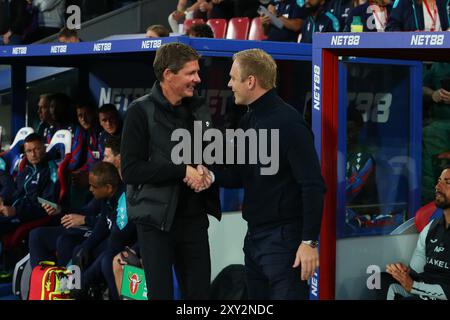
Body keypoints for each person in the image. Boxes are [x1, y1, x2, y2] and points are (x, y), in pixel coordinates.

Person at [188, 49, 326, 299]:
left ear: (250, 81)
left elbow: (313, 186)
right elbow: (242, 174)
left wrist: (309, 242)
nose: (229, 84)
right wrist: (211, 177)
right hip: (254, 238)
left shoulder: (289, 123)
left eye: (232, 78)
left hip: (285, 241)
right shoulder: (248, 121)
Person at [121, 42, 221, 300]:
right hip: (155, 224)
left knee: (199, 297)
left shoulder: (199, 108)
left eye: (197, 72)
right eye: (191, 73)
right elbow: (131, 170)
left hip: (195, 219)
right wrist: (181, 171)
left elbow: (212, 153)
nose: (198, 79)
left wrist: (205, 171)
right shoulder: (139, 112)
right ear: (168, 74)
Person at [385, 167, 450, 300]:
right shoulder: (431, 228)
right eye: (439, 181)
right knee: (383, 280)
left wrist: (413, 286)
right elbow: (417, 272)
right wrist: (403, 273)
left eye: (447, 182)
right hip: (425, 292)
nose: (438, 186)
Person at [0, 133, 59, 236]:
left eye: (37, 149)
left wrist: (16, 211)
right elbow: (14, 192)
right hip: (11, 212)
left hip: (26, 217)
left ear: (44, 148)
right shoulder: (27, 169)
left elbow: (48, 206)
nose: (33, 154)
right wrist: (2, 200)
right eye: (29, 151)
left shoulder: (51, 170)